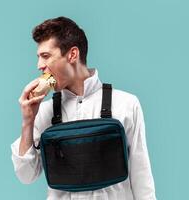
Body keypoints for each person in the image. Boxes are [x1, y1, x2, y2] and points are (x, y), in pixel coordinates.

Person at [11, 16, 156, 200]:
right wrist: (28, 121)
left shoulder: (126, 104)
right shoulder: (43, 111)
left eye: (46, 56)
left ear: (72, 54)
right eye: (39, 57)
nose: (39, 66)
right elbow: (26, 175)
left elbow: (141, 176)